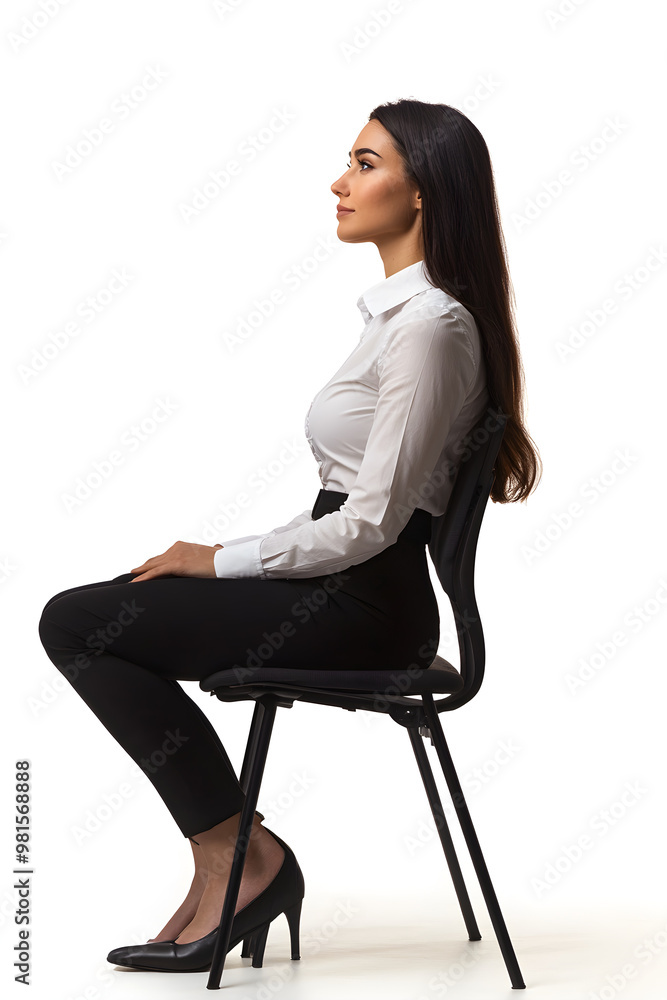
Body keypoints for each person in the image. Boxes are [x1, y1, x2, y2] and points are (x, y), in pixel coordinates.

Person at [38, 98, 542, 974]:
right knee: (92, 615)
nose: (339, 182)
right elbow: (347, 511)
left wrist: (219, 560)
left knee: (80, 623)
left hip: (365, 606)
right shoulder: (401, 319)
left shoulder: (428, 329)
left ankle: (239, 858)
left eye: (365, 163)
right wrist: (221, 563)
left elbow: (371, 523)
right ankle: (233, 855)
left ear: (421, 192)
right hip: (344, 586)